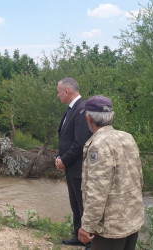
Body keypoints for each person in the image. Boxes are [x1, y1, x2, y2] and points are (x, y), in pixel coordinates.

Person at [77, 95, 144, 250]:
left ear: (89, 118)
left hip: (110, 228)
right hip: (132, 220)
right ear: (112, 116)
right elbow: (139, 179)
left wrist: (87, 226)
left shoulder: (98, 145)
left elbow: (97, 191)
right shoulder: (127, 138)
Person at [55, 77, 93, 247]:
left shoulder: (82, 109)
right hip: (71, 167)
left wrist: (64, 160)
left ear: (66, 91)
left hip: (79, 168)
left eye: (58, 92)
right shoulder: (73, 109)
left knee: (84, 205)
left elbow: (80, 142)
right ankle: (78, 236)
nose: (58, 95)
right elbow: (66, 137)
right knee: (75, 204)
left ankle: (90, 242)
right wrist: (60, 157)